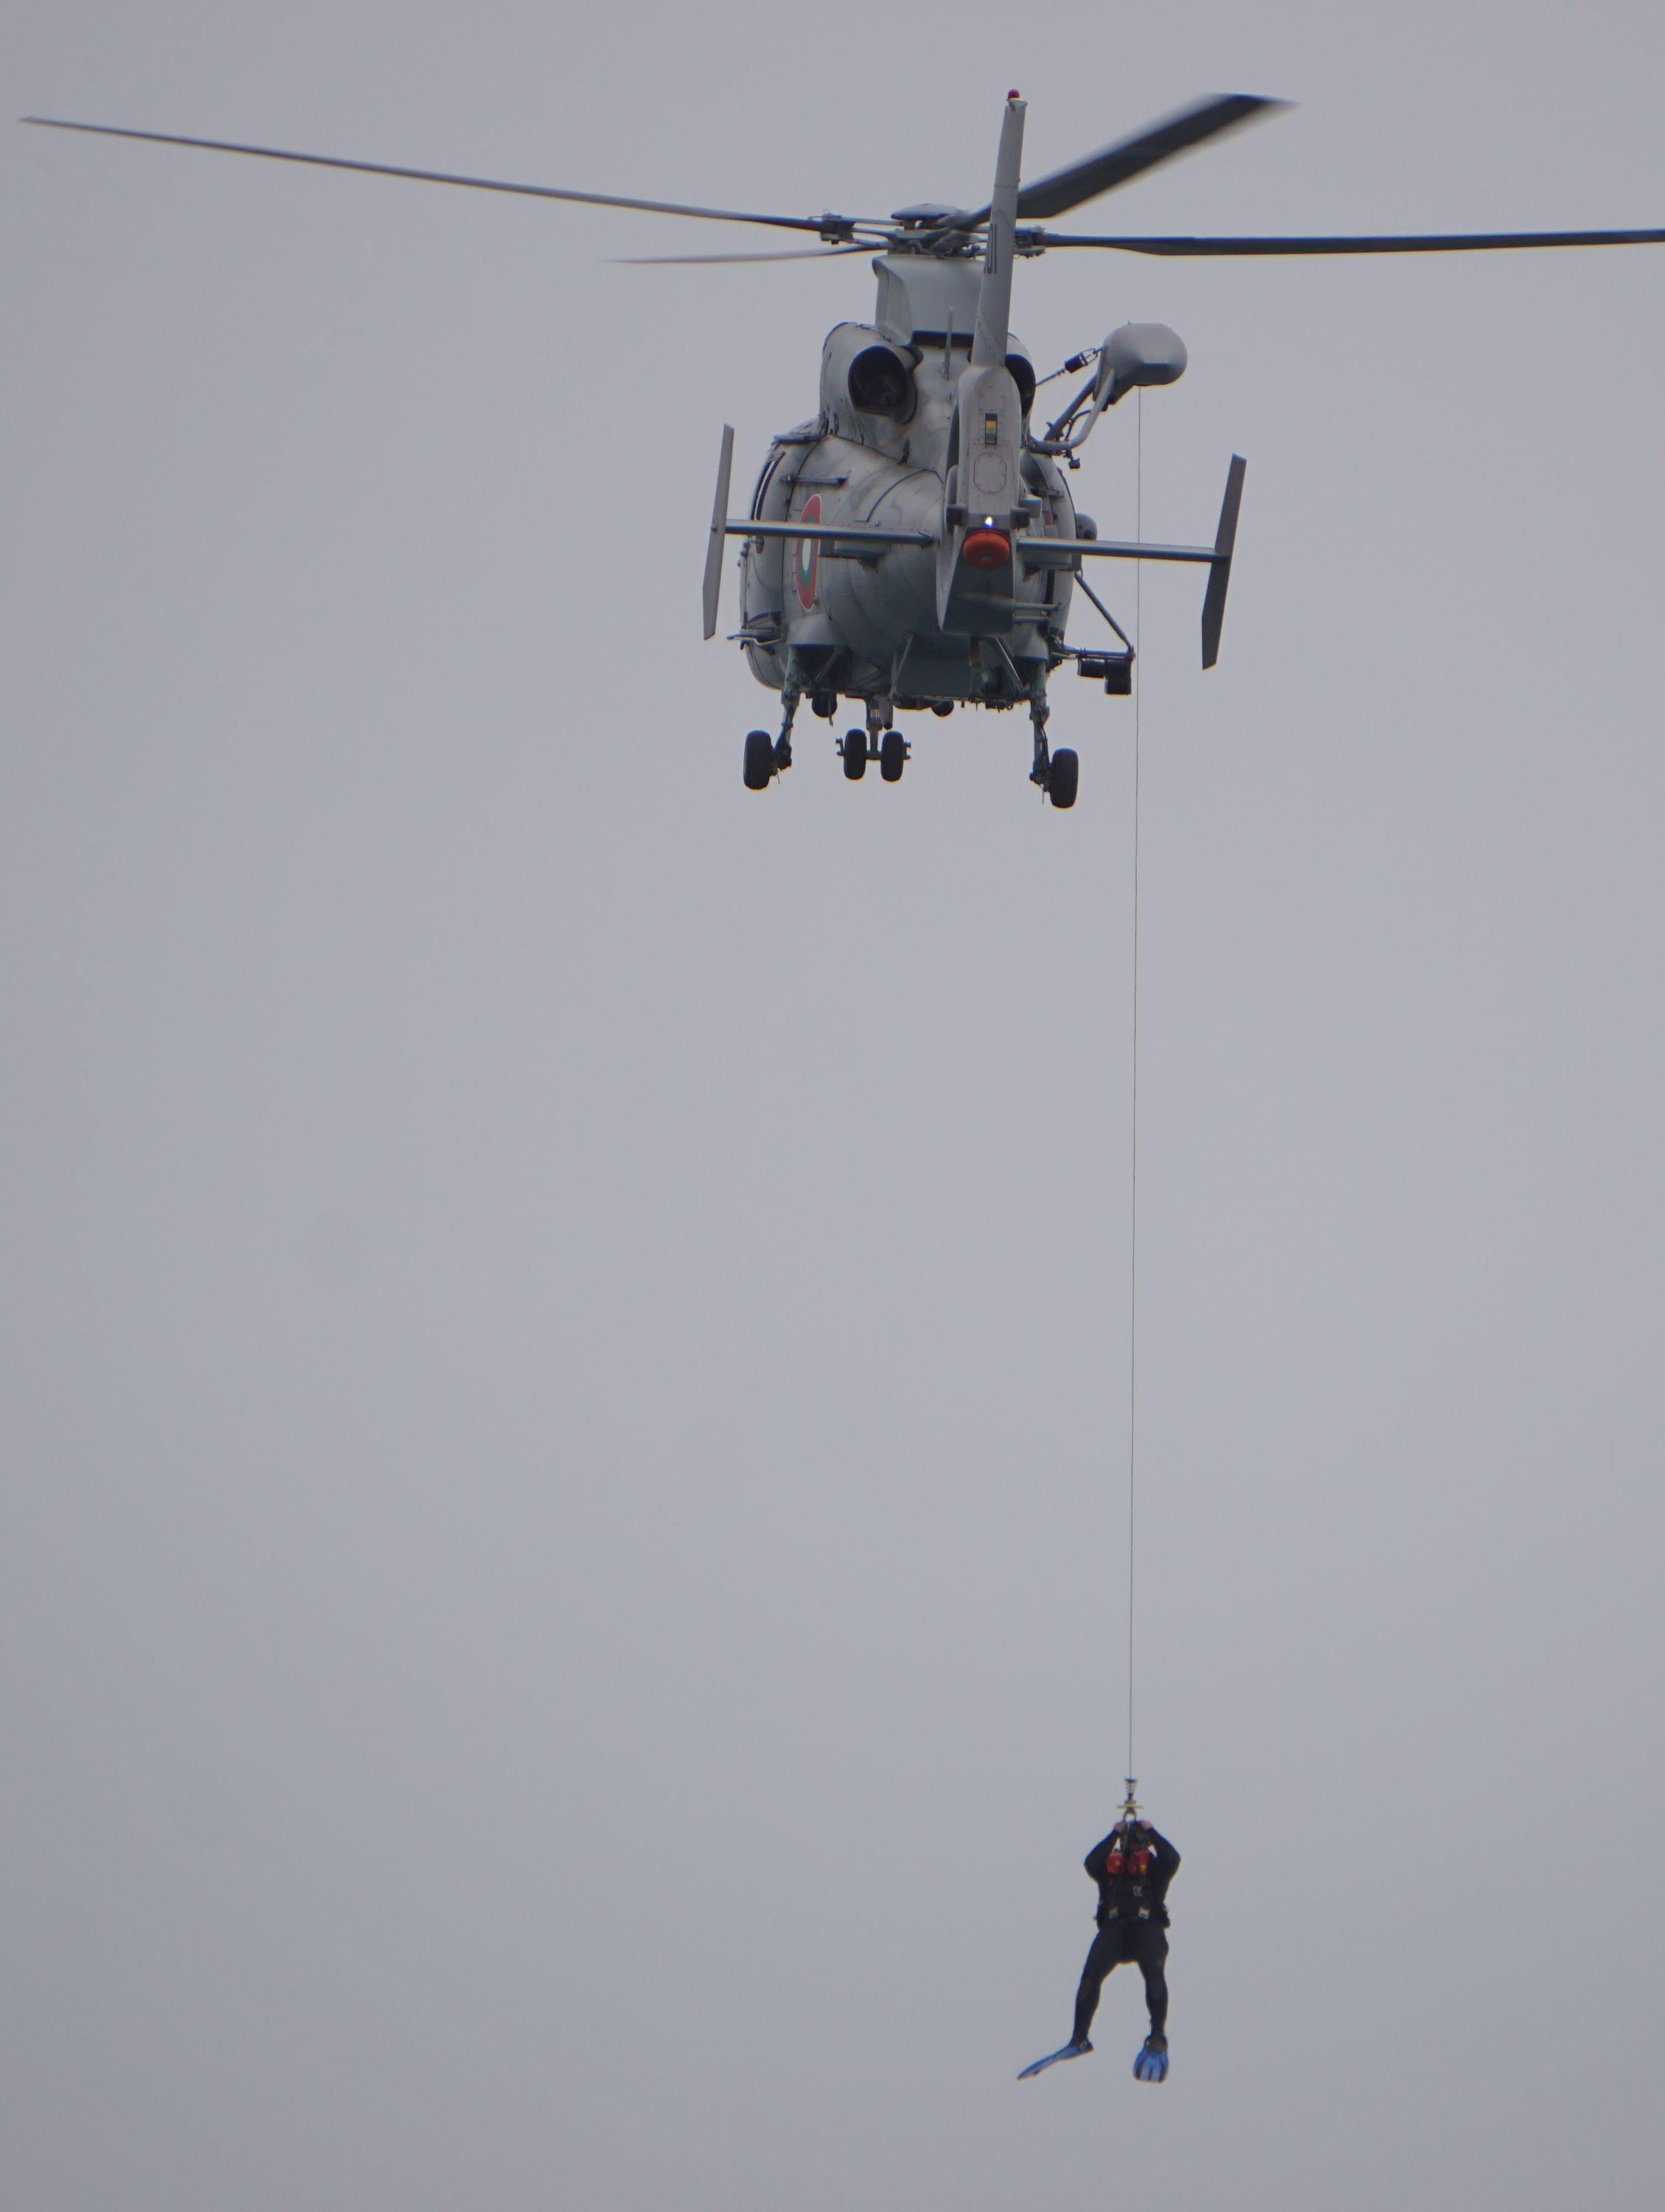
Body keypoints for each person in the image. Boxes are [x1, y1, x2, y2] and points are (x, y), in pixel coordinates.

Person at [1018, 1807, 1181, 2083]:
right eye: (1129, 1841)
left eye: (1137, 1841)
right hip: (1116, 1930)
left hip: (1147, 1929)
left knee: (1154, 1973)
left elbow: (1173, 1858)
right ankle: (1079, 2038)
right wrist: (1114, 1834)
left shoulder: (1155, 1870)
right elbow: (1090, 1862)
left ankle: (1158, 2036)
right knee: (1090, 1976)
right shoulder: (1110, 1872)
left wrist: (1151, 1831)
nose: (1132, 1845)